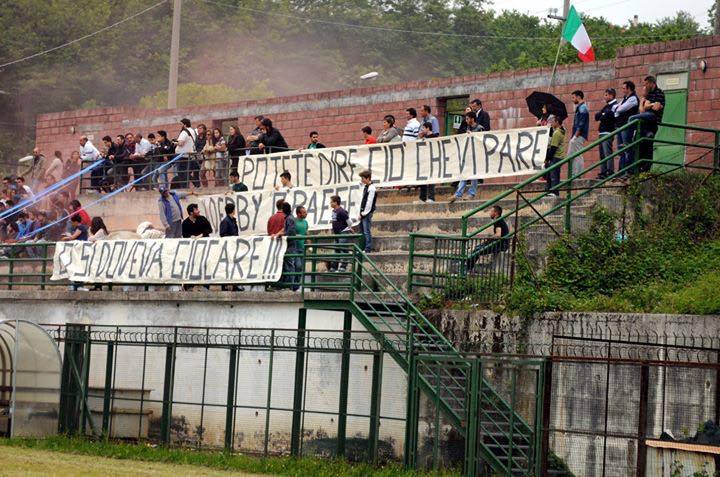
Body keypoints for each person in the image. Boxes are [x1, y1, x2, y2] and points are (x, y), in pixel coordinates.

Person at [627, 75, 665, 174]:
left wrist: (650, 105)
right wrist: (651, 104)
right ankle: (639, 170)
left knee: (632, 119)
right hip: (646, 121)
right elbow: (645, 108)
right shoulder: (650, 94)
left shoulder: (659, 93)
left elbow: (656, 108)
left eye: (646, 84)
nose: (645, 86)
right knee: (642, 146)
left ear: (651, 83)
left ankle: (628, 141)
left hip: (653, 119)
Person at [449, 112, 484, 203]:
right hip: (467, 155)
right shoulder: (466, 128)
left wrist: (472, 135)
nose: (466, 120)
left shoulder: (480, 128)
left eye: (468, 118)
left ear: (472, 119)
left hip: (476, 155)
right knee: (464, 173)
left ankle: (471, 193)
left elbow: (481, 141)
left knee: (474, 175)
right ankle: (458, 194)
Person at [466, 205, 509, 272]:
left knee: (478, 250)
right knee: (478, 248)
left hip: (501, 245)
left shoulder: (498, 221)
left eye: (491, 211)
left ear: (496, 213)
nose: (489, 213)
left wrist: (489, 239)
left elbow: (498, 235)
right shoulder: (498, 220)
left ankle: (466, 269)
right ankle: (467, 267)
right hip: (499, 244)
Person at [271, 202, 301, 291]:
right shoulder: (289, 218)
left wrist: (280, 235)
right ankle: (290, 285)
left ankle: (290, 286)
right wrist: (277, 234)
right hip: (290, 245)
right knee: (290, 265)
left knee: (290, 265)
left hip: (290, 246)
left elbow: (290, 232)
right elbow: (285, 229)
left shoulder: (290, 219)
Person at [615, 81, 640, 178]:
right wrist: (617, 109)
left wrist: (618, 109)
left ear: (629, 88)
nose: (622, 90)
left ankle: (629, 171)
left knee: (627, 149)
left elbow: (620, 109)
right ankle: (621, 171)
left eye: (624, 88)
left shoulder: (633, 98)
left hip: (627, 127)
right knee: (621, 150)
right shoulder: (625, 98)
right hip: (621, 126)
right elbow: (616, 108)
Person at [219, 203, 243, 291]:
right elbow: (222, 234)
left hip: (233, 246)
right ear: (233, 210)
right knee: (228, 266)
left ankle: (234, 284)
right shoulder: (226, 221)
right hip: (229, 247)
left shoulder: (231, 220)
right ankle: (225, 285)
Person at [595, 88, 618, 179]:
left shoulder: (614, 105)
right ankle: (603, 171)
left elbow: (607, 117)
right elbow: (597, 117)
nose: (604, 97)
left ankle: (609, 171)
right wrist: (603, 114)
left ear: (611, 95)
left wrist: (603, 115)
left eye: (606, 95)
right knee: (602, 153)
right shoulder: (606, 106)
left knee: (607, 152)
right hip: (602, 132)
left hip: (608, 132)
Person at [544, 115, 567, 197]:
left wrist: (547, 159)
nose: (551, 123)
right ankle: (552, 191)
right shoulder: (562, 131)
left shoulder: (557, 133)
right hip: (559, 156)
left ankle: (555, 192)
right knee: (553, 174)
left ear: (557, 122)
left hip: (556, 156)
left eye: (553, 122)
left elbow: (553, 148)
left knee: (554, 175)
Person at [568, 90, 589, 177]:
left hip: (579, 135)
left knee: (578, 155)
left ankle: (577, 175)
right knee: (573, 154)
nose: (572, 100)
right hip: (577, 135)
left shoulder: (583, 107)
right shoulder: (580, 107)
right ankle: (575, 174)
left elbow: (581, 123)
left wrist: (575, 136)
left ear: (578, 97)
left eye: (573, 97)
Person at [329, 195, 352, 272]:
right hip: (337, 233)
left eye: (331, 202)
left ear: (336, 202)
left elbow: (349, 222)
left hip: (342, 232)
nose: (330, 203)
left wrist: (348, 228)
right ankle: (334, 267)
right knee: (336, 250)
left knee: (343, 249)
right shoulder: (334, 211)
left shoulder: (341, 211)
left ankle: (343, 267)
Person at [175, 118, 198, 187]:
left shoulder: (184, 132)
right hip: (189, 155)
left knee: (181, 173)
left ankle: (185, 186)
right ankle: (195, 184)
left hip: (183, 156)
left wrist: (175, 142)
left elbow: (181, 143)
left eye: (181, 124)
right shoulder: (193, 131)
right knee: (186, 172)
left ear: (185, 125)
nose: (180, 126)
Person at [358, 170, 376, 253]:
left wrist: (363, 213)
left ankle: (368, 248)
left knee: (366, 231)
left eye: (363, 178)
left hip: (366, 213)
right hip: (364, 213)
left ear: (368, 178)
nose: (362, 180)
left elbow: (369, 203)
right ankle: (363, 247)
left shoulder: (371, 188)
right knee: (362, 231)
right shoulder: (366, 187)